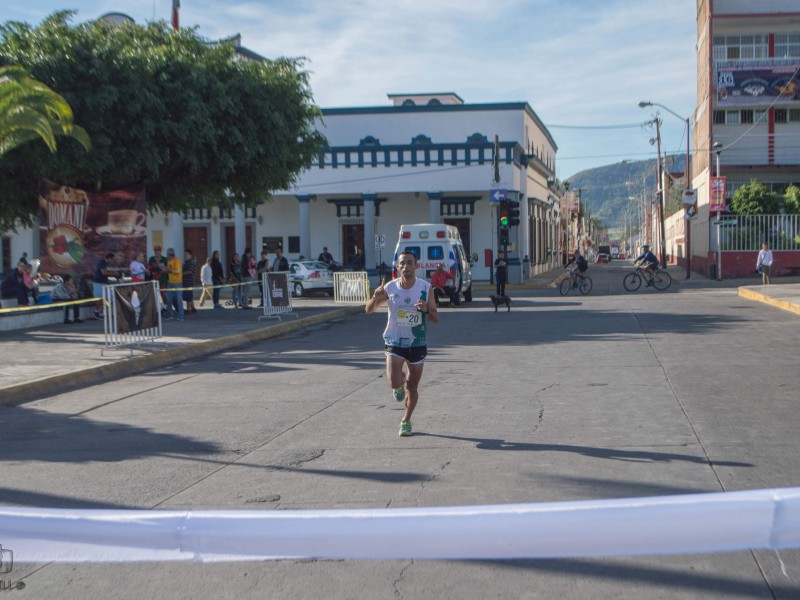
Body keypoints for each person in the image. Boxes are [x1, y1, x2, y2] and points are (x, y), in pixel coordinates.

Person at [365, 251, 439, 437]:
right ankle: (398, 384)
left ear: (416, 266)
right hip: (394, 341)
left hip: (417, 342)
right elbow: (369, 311)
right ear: (397, 267)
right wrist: (375, 297)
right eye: (402, 263)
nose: (406, 266)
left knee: (412, 387)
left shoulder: (425, 288)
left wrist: (425, 310)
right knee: (394, 381)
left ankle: (406, 420)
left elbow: (435, 317)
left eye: (410, 263)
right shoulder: (390, 288)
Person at [93, 252, 116, 319]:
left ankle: (103, 312)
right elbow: (104, 273)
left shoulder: (106, 264)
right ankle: (96, 311)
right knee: (99, 298)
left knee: (106, 297)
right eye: (112, 259)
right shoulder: (102, 263)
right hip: (98, 283)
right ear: (109, 258)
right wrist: (114, 274)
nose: (112, 261)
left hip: (104, 283)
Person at [164, 248, 184, 321]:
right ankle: (169, 315)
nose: (167, 256)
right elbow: (168, 270)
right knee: (168, 298)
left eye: (168, 255)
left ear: (171, 255)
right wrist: (165, 270)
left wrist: (169, 270)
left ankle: (181, 316)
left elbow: (177, 271)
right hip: (170, 282)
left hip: (177, 282)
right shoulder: (168, 261)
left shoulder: (177, 260)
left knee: (179, 299)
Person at [182, 249, 197, 313]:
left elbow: (190, 271)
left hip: (189, 281)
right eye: (185, 254)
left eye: (187, 254)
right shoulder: (187, 261)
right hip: (187, 281)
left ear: (190, 255)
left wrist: (181, 274)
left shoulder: (190, 262)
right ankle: (193, 308)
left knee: (188, 295)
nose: (185, 255)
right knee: (190, 295)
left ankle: (188, 309)